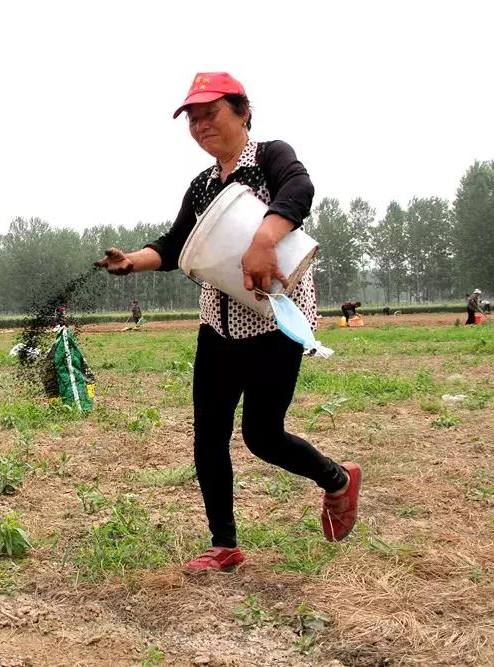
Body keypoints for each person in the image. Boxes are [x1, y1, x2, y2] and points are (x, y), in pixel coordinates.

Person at [95, 72, 361, 573]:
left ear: (243, 112)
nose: (200, 125)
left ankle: (337, 479)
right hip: (218, 324)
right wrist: (132, 261)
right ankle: (224, 544)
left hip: (275, 321)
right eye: (192, 119)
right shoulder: (201, 186)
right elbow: (175, 245)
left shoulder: (271, 158)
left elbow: (299, 189)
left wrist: (264, 238)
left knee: (263, 436)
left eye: (210, 113)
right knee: (209, 435)